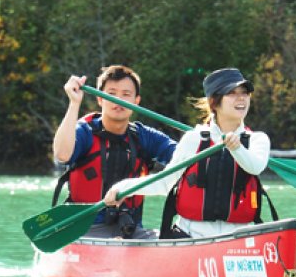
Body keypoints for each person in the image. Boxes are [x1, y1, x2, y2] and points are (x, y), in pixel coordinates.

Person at [103, 68, 274, 239]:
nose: (241, 98)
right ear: (214, 102)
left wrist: (237, 148)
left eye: (245, 92)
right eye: (232, 93)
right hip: (191, 237)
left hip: (238, 239)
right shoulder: (194, 139)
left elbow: (255, 167)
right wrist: (123, 188)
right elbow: (165, 183)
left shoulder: (257, 139)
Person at [53, 65, 177, 239]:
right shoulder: (85, 131)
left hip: (130, 231)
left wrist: (216, 139)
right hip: (84, 229)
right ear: (100, 99)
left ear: (136, 101)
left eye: (126, 95)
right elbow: (62, 155)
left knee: (167, 242)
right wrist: (74, 103)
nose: (118, 100)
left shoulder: (145, 137)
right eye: (111, 94)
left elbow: (185, 156)